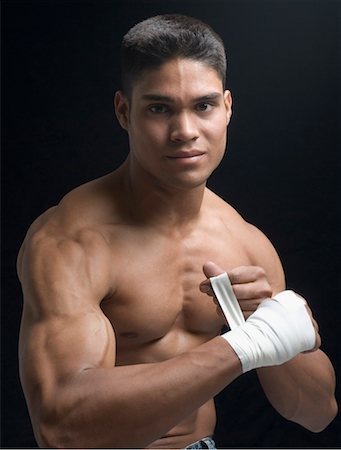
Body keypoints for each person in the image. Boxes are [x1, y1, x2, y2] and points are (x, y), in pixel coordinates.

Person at [17, 14, 337, 449]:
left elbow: (317, 413)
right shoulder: (72, 240)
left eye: (203, 106)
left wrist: (272, 327)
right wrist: (247, 344)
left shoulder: (244, 242)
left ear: (227, 107)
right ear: (124, 111)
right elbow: (63, 429)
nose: (185, 132)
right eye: (159, 109)